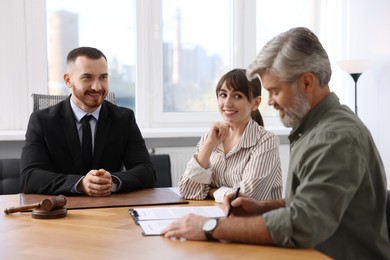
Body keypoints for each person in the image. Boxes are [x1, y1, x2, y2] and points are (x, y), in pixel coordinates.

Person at [161, 27, 390, 259]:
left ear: (307, 82)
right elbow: (311, 203)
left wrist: (210, 226)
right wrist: (263, 208)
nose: (269, 102)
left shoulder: (334, 137)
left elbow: (304, 223)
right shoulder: (315, 128)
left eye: (275, 91)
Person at [20, 47, 156, 196]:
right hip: (62, 210)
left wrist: (113, 181)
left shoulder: (124, 118)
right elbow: (29, 177)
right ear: (68, 80)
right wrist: (80, 184)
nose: (97, 86)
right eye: (87, 77)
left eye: (103, 77)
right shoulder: (42, 121)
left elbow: (147, 172)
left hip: (111, 210)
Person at [178, 69, 282, 202]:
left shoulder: (266, 141)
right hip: (215, 214)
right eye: (223, 95)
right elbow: (187, 190)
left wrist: (209, 191)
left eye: (237, 96)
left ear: (255, 103)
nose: (227, 103)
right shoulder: (209, 138)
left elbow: (246, 198)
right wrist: (209, 145)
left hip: (253, 221)